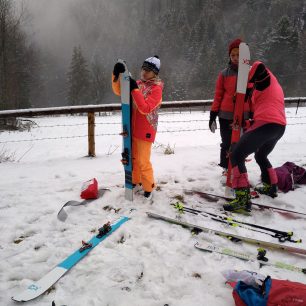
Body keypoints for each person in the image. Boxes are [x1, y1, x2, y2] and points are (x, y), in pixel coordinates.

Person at [223, 61, 286, 213]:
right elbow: (265, 109)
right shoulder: (269, 85)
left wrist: (245, 80)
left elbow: (259, 66)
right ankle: (271, 186)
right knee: (261, 155)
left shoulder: (264, 75)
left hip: (267, 124)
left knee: (236, 154)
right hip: (278, 126)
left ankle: (243, 199)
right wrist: (247, 122)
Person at [112, 56, 164, 199]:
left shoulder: (156, 88)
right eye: (143, 69)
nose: (145, 72)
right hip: (131, 128)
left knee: (143, 161)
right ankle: (135, 181)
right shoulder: (138, 83)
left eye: (149, 70)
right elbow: (119, 91)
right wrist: (116, 75)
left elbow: (145, 108)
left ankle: (149, 186)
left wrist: (134, 89)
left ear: (155, 73)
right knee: (132, 158)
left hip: (145, 130)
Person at [209, 38, 250, 177]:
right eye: (233, 55)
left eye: (239, 55)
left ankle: (238, 166)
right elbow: (218, 95)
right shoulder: (224, 74)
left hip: (243, 115)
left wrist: (253, 113)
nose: (235, 58)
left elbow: (254, 94)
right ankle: (226, 167)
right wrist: (213, 115)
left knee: (240, 143)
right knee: (227, 143)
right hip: (225, 116)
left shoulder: (250, 73)